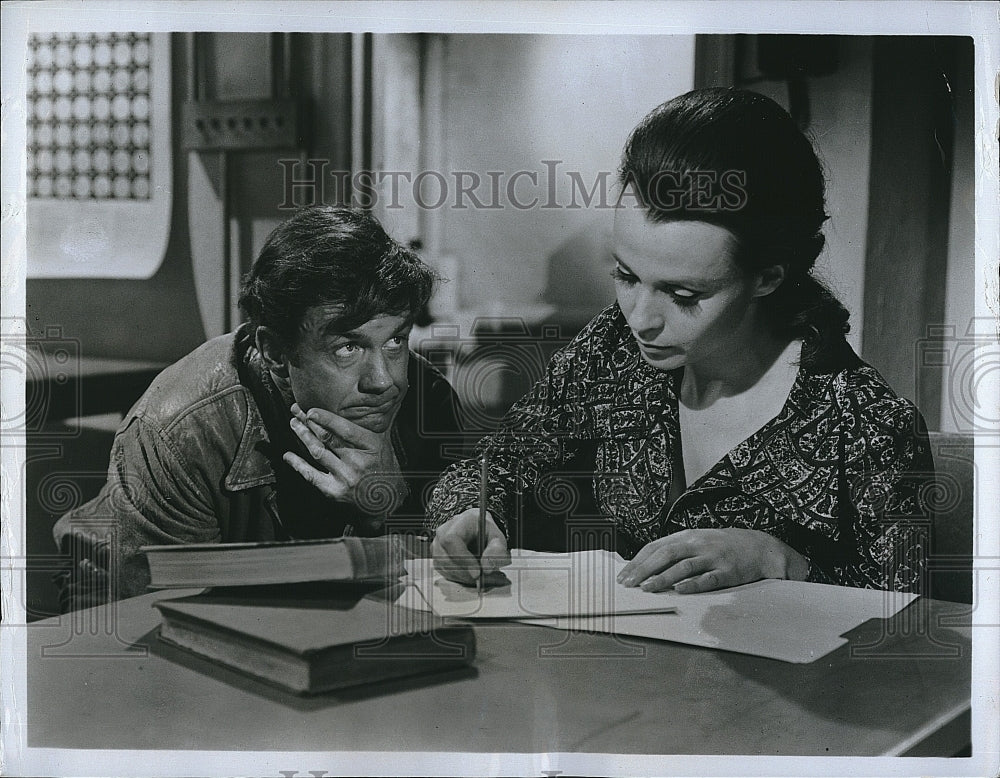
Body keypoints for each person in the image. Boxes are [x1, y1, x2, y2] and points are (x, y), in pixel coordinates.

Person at [427, 88, 933, 594]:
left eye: (683, 294)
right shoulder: (612, 351)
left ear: (768, 277)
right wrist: (471, 513)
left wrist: (782, 561)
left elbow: (906, 622)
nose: (641, 319)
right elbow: (500, 464)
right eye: (626, 276)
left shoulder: (866, 423)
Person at [54, 206, 462, 611]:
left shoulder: (428, 401)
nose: (383, 381)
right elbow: (162, 614)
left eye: (395, 342)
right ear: (274, 353)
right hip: (119, 612)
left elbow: (447, 587)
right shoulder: (179, 430)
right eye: (347, 348)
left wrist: (384, 509)